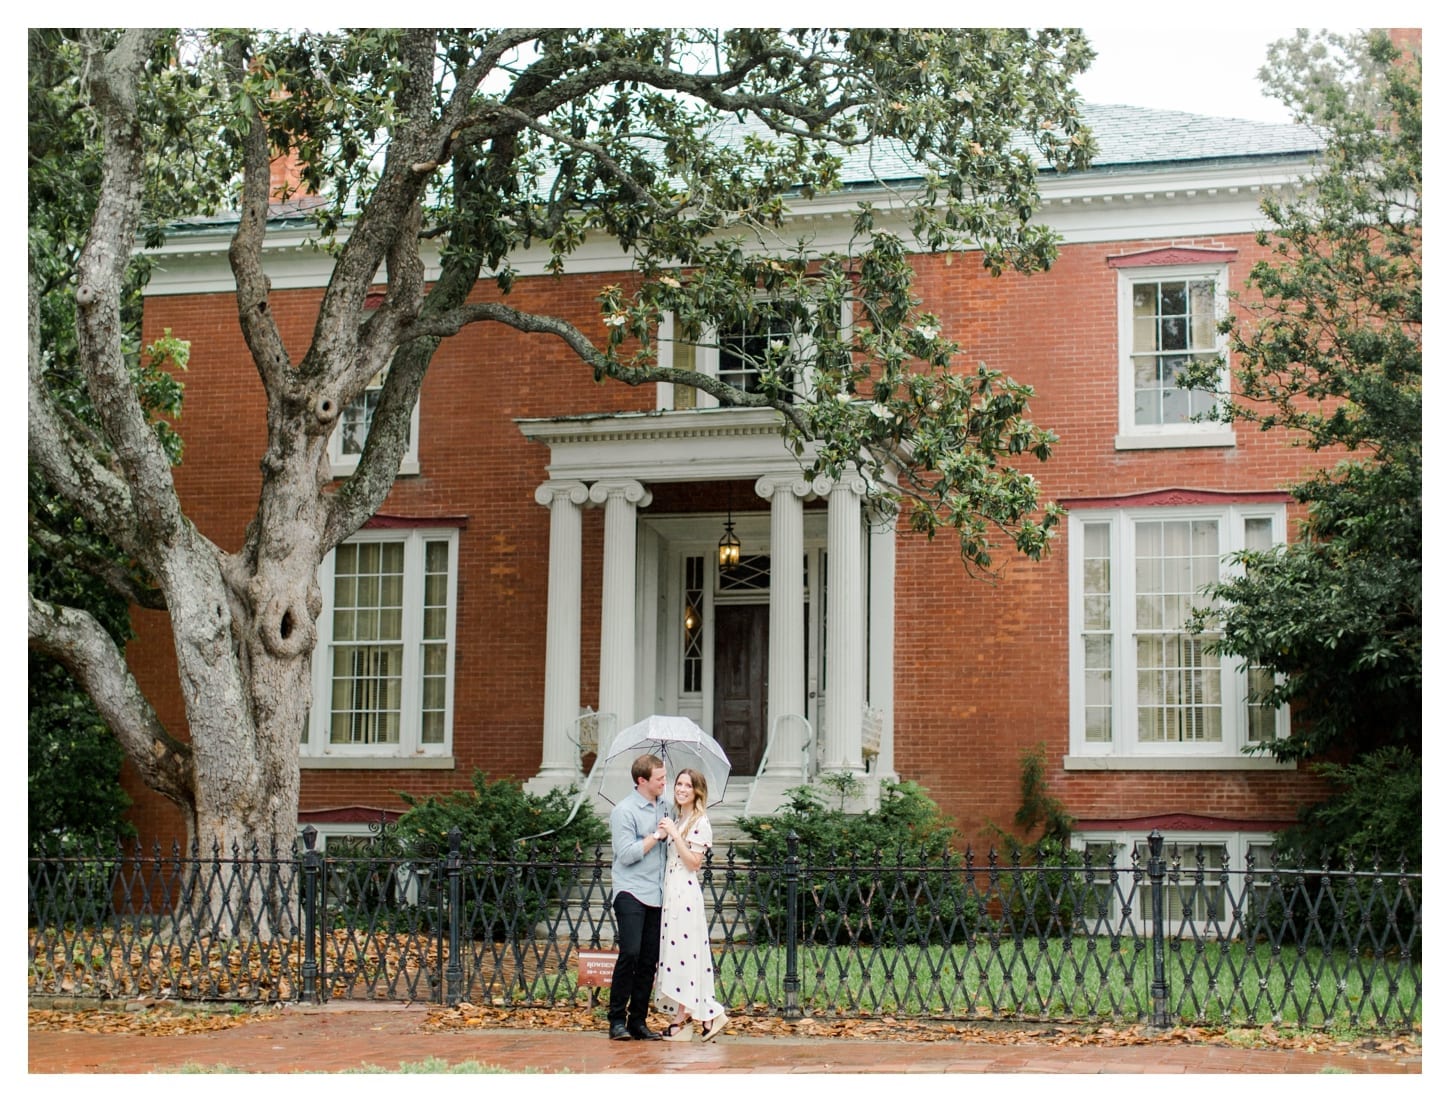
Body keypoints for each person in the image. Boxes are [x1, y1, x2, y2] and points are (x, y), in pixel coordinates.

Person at [653, 768, 729, 1042]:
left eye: (688, 785)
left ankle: (703, 1014)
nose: (681, 789)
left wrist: (674, 834)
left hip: (685, 894)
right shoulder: (680, 817)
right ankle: (687, 1017)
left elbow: (694, 863)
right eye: (678, 784)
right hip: (671, 892)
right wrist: (666, 832)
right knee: (678, 956)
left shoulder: (700, 821)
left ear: (697, 790)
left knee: (687, 954)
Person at [607, 754, 669, 1041]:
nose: (664, 782)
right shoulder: (624, 811)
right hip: (630, 890)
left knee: (648, 959)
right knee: (630, 953)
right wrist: (656, 835)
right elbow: (627, 854)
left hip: (657, 893)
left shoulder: (667, 807)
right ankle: (616, 1020)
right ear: (642, 781)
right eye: (660, 778)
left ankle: (638, 1021)